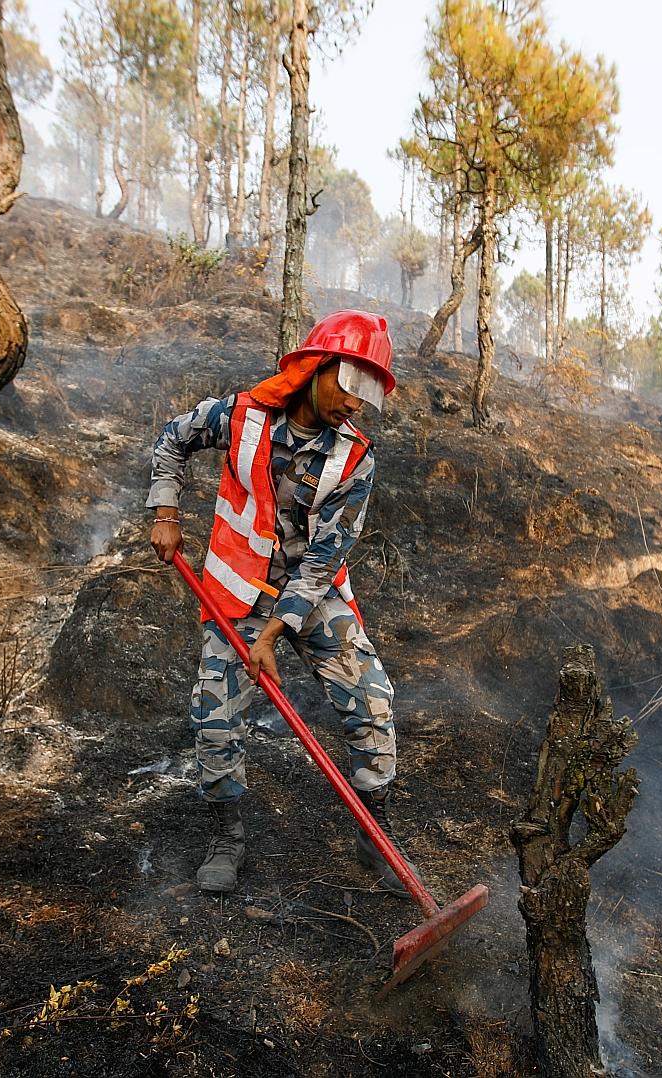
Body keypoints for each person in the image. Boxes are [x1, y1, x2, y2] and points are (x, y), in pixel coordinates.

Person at [147, 309, 420, 899]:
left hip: (313, 594)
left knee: (372, 701)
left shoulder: (355, 459)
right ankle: (227, 835)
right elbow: (172, 440)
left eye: (368, 394)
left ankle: (374, 831)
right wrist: (165, 513)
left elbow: (322, 559)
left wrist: (273, 635)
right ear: (317, 368)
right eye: (350, 385)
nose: (355, 404)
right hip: (237, 587)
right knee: (215, 719)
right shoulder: (240, 415)